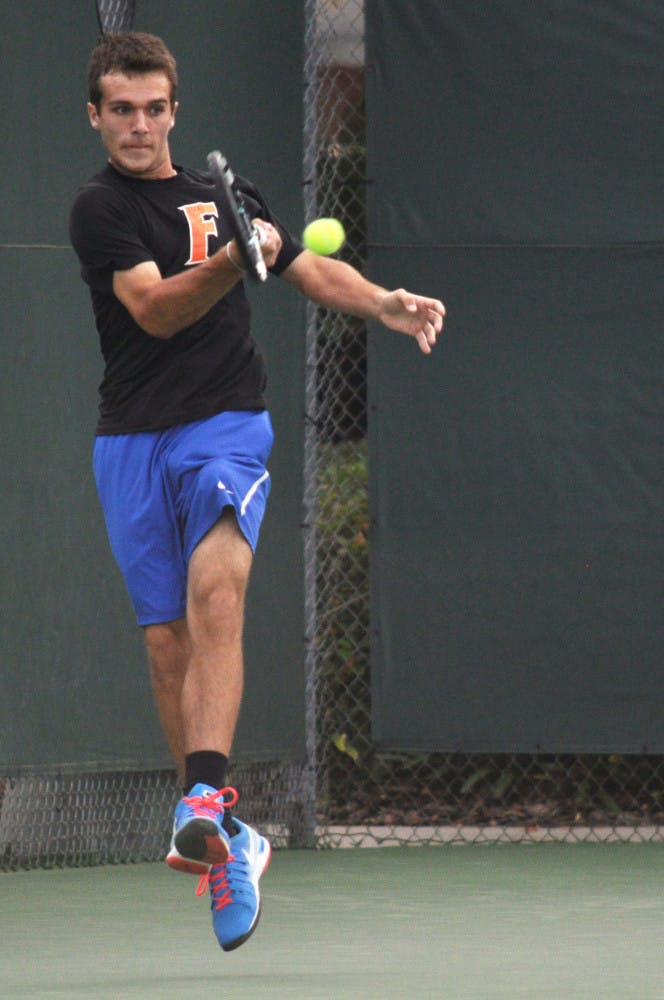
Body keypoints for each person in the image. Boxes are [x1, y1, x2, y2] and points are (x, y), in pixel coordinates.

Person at [69, 32, 445, 953]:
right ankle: (227, 842)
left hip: (227, 425)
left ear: (175, 111)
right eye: (122, 109)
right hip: (130, 441)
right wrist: (240, 257)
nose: (139, 125)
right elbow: (155, 311)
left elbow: (306, 268)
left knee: (216, 594)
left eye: (155, 107)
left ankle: (202, 795)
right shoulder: (99, 209)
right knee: (166, 645)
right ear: (95, 116)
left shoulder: (219, 195)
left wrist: (383, 301)